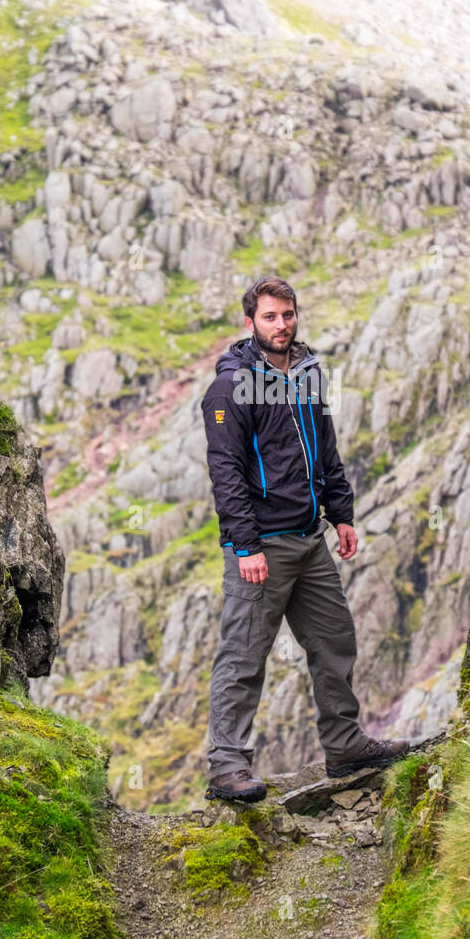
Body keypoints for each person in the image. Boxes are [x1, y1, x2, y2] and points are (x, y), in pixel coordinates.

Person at [200, 275, 409, 803]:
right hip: (261, 548)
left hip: (311, 539)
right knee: (244, 656)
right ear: (250, 323)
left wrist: (341, 514)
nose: (281, 324)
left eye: (287, 314)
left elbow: (326, 450)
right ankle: (228, 768)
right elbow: (225, 471)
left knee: (335, 639)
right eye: (269, 316)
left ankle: (344, 746)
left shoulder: (309, 374)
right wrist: (244, 546)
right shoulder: (230, 386)